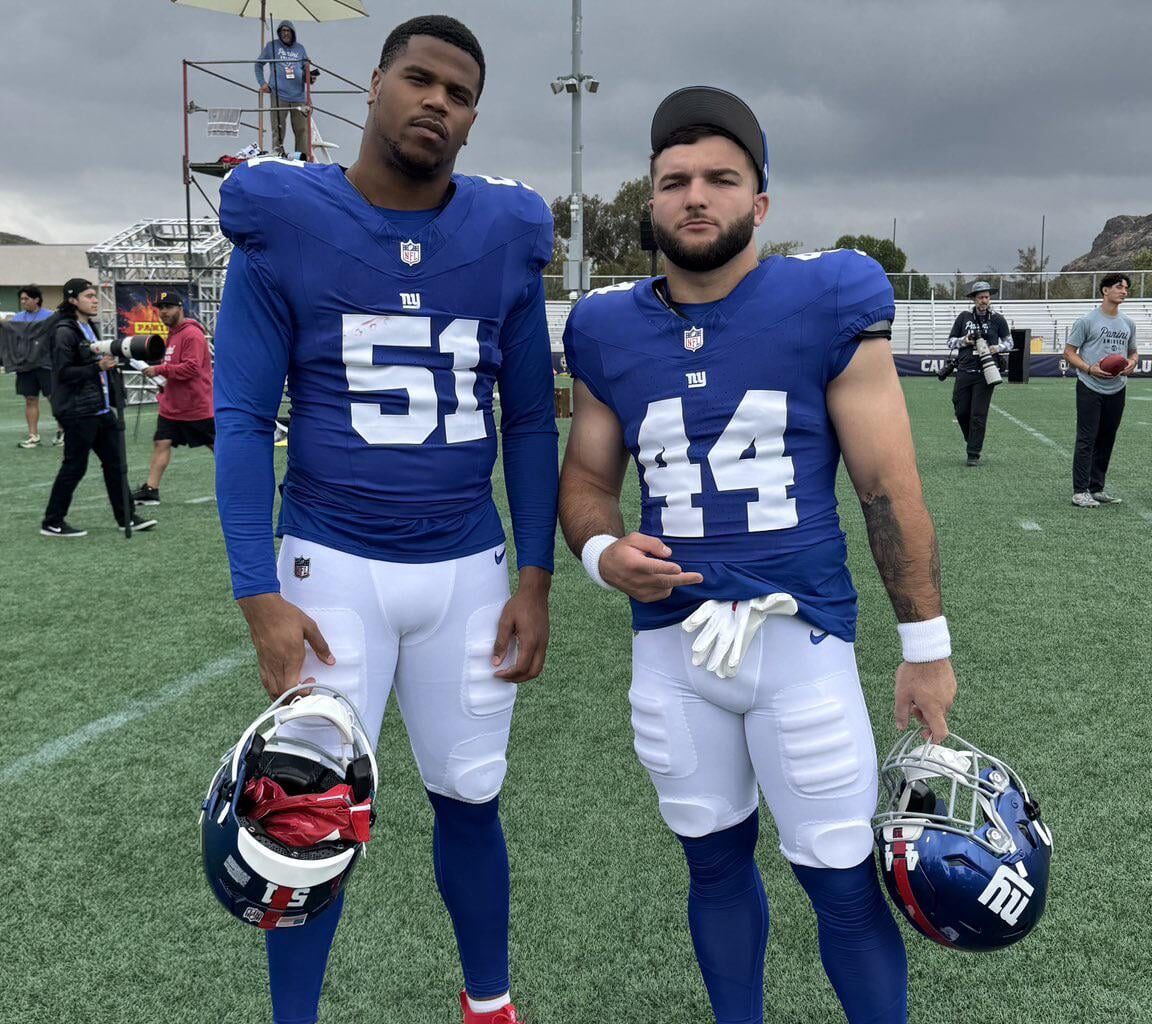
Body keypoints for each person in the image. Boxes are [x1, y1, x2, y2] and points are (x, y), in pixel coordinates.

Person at [559, 86, 957, 1024]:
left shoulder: (825, 298)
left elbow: (887, 488)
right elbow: (585, 480)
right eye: (674, 181)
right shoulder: (607, 327)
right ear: (651, 200)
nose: (696, 196)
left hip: (799, 644)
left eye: (721, 179)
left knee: (841, 880)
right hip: (672, 646)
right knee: (712, 867)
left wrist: (926, 647)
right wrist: (603, 550)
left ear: (760, 202)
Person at [215, 16, 557, 1024]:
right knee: (305, 813)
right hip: (330, 566)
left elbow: (530, 419)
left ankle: (489, 1003)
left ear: (473, 116)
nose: (436, 102)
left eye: (459, 93)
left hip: (469, 570)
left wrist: (535, 577)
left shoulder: (504, 230)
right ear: (371, 85)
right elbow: (243, 418)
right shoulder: (289, 215)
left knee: (473, 796)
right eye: (418, 79)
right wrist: (256, 591)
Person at [41, 279, 157, 538]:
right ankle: (52, 521)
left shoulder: (87, 326)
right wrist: (97, 366)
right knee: (75, 466)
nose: (95, 300)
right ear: (73, 300)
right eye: (89, 296)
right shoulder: (64, 331)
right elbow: (63, 373)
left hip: (100, 409)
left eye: (95, 295)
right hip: (78, 410)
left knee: (116, 463)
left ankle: (126, 517)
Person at [131, 291, 214, 506]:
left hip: (195, 405)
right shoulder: (173, 334)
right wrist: (163, 383)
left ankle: (240, 483)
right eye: (160, 308)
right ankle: (151, 490)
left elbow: (191, 368)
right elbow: (176, 368)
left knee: (217, 446)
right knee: (161, 442)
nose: (163, 312)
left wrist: (159, 370)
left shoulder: (191, 334)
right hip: (172, 406)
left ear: (180, 308)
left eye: (168, 307)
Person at [1062, 273, 1137, 507]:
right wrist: (1089, 368)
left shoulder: (1128, 323)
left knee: (1107, 438)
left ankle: (1097, 488)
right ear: (1105, 290)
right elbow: (1069, 352)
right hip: (1090, 386)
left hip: (1117, 388)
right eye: (1119, 287)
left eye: (1126, 288)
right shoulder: (1087, 321)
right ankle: (1080, 491)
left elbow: (1133, 352)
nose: (1124, 291)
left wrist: (1132, 363)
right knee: (1087, 438)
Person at [945, 281, 1012, 466]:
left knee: (978, 414)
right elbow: (950, 342)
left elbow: (1010, 343)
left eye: (987, 297)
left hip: (987, 372)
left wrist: (996, 348)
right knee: (960, 410)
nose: (984, 300)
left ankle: (973, 453)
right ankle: (973, 439)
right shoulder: (963, 317)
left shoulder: (998, 319)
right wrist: (965, 340)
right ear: (974, 299)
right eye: (981, 297)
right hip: (964, 370)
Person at [10, 286, 63, 448]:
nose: (23, 302)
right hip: (25, 367)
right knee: (30, 399)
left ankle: (62, 432)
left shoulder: (51, 317)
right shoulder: (18, 318)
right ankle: (33, 436)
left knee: (54, 398)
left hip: (47, 366)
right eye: (21, 299)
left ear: (36, 299)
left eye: (26, 298)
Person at [255, 20, 315, 157]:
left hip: (299, 97)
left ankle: (302, 158)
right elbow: (258, 64)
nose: (285, 33)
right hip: (278, 95)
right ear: (279, 32)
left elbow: (306, 71)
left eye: (288, 31)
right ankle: (278, 155)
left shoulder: (300, 49)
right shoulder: (271, 46)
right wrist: (262, 83)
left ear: (293, 33)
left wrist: (310, 78)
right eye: (283, 31)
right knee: (278, 129)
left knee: (302, 130)